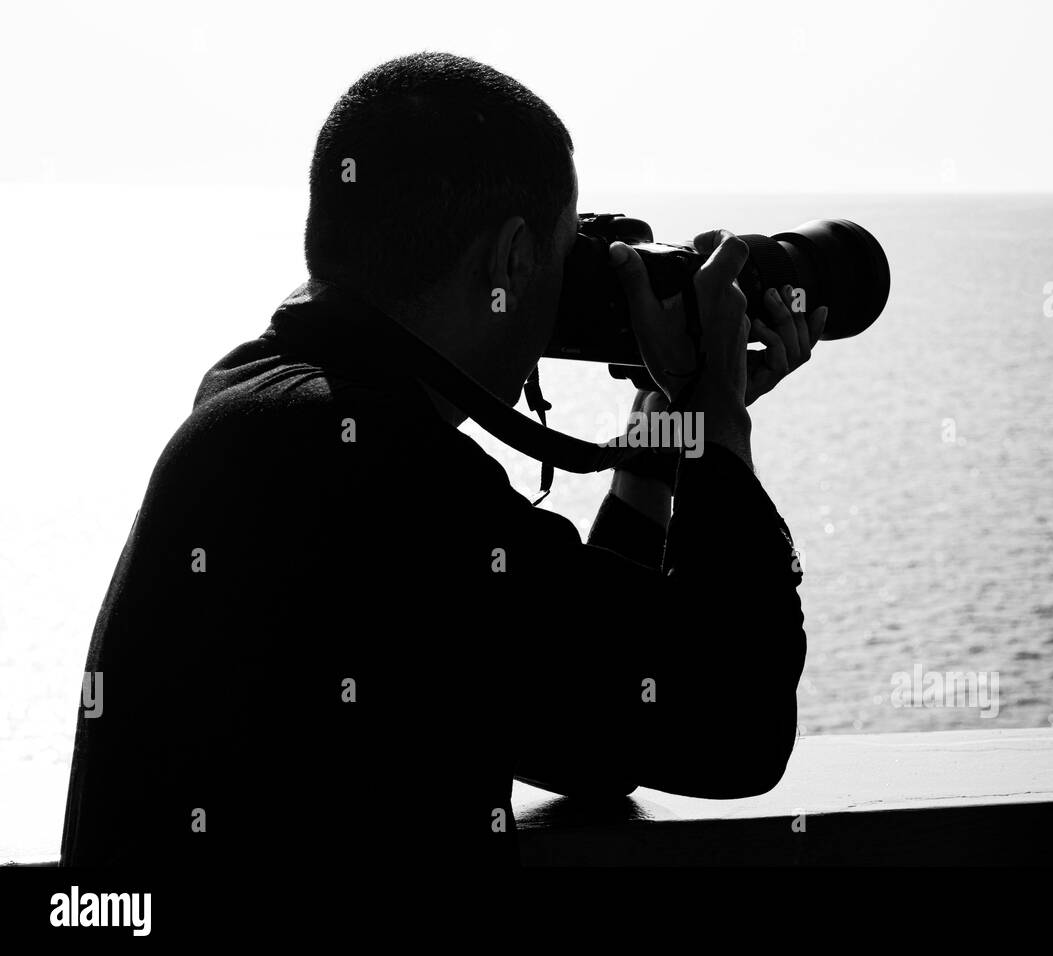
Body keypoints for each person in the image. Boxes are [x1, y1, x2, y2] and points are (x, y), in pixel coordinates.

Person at [60, 51, 823, 873]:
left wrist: (658, 443)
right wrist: (720, 430)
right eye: (563, 255)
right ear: (511, 260)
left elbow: (596, 738)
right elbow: (734, 728)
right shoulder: (377, 474)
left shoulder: (257, 405)